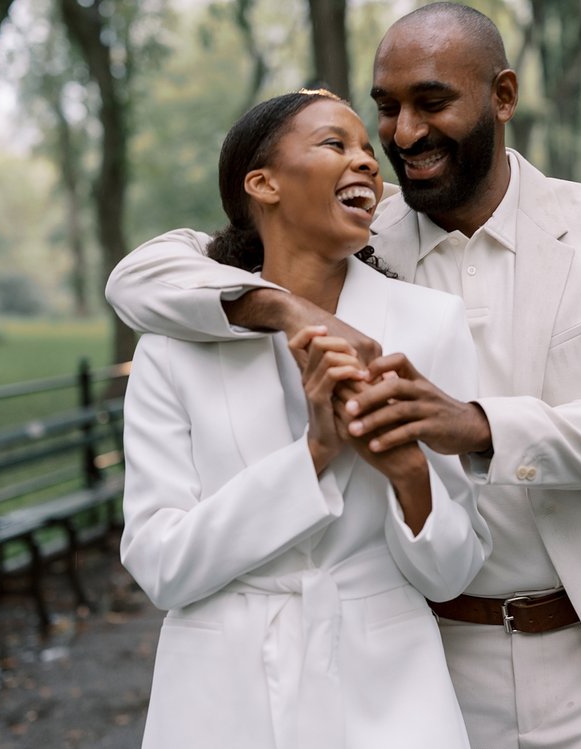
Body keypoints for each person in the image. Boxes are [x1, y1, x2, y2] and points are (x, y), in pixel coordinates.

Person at [107, 3, 581, 747]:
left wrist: (476, 425)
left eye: (431, 103)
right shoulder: (354, 226)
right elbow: (143, 275)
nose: (400, 135)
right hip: (435, 659)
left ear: (503, 96)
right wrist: (287, 311)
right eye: (386, 109)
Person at [119, 89, 490, 749]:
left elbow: (451, 572)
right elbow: (161, 565)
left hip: (392, 694)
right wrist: (316, 454)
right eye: (334, 144)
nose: (368, 164)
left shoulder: (431, 325)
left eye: (368, 154)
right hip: (219, 695)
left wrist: (410, 477)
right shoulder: (174, 345)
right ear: (262, 183)